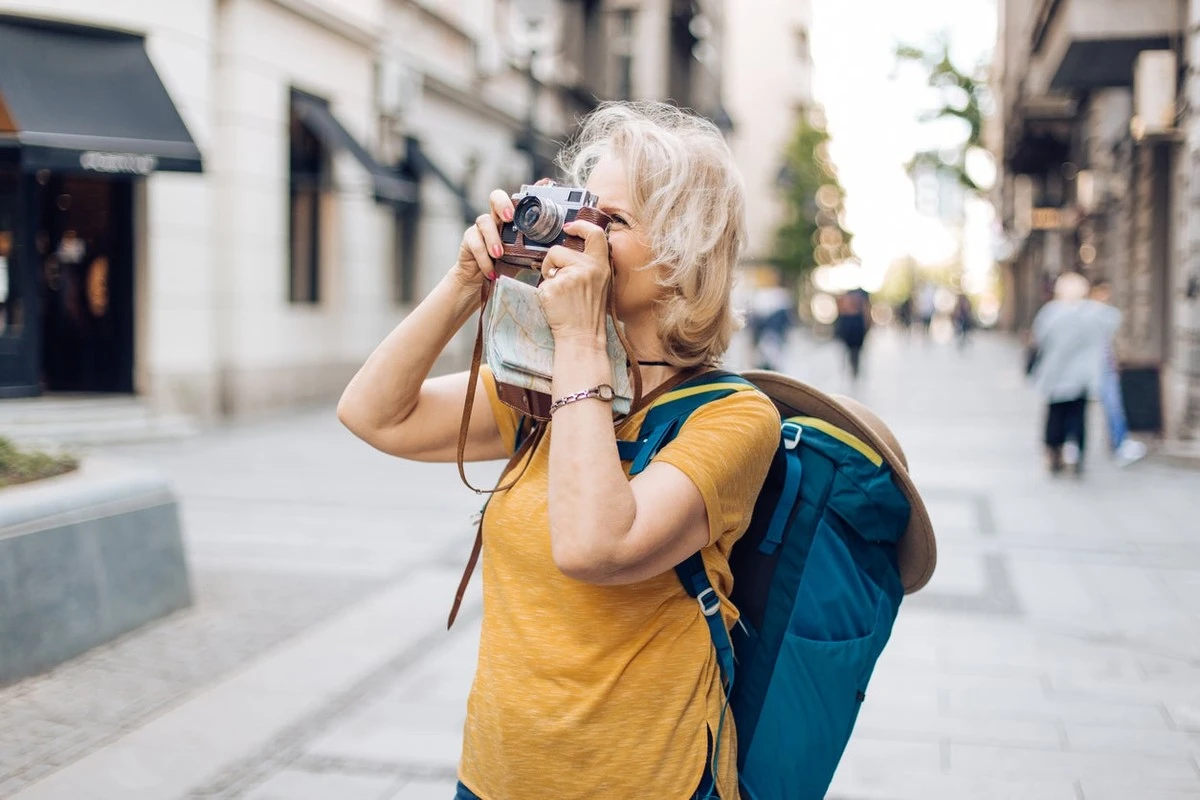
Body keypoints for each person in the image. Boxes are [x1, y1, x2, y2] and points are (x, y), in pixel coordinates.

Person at [338, 101, 780, 800]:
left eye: (611, 222)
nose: (578, 236)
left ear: (682, 257)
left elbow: (594, 546)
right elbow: (373, 415)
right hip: (494, 779)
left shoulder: (734, 419)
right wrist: (464, 284)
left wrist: (577, 341)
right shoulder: (538, 394)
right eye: (577, 210)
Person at [1030, 272, 1120, 475]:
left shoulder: (1052, 312)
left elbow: (1040, 337)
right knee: (1078, 416)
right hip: (1082, 377)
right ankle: (1077, 453)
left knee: (1056, 415)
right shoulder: (1094, 312)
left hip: (1057, 374)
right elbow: (1114, 320)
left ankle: (1055, 452)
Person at [1089, 281, 1147, 467]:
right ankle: (1118, 443)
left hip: (1105, 367)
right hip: (1092, 369)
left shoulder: (1101, 314)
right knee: (1108, 405)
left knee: (1113, 406)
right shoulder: (1091, 314)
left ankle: (1119, 443)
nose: (1106, 297)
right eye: (1103, 292)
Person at [833, 285, 871, 380]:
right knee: (855, 351)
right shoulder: (862, 295)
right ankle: (854, 370)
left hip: (850, 324)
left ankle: (851, 369)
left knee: (851, 351)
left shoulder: (849, 295)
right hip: (856, 325)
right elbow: (867, 312)